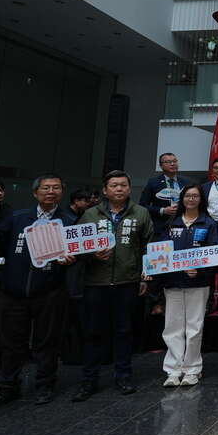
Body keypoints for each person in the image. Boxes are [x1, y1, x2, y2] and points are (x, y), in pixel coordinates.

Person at [0, 175, 76, 410]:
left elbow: (78, 254)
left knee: (47, 342)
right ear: (35, 193)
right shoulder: (18, 218)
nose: (51, 191)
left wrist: (72, 259)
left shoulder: (69, 221)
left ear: (61, 192)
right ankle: (7, 387)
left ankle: (44, 385)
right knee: (11, 343)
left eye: (56, 188)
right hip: (13, 292)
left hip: (49, 291)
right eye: (46, 188)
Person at [74, 170, 154, 401]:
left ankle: (123, 377)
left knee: (124, 331)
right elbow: (76, 248)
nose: (119, 189)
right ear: (105, 190)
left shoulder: (141, 213)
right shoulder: (90, 215)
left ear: (129, 189)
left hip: (127, 281)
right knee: (93, 332)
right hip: (96, 282)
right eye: (114, 185)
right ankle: (89, 380)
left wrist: (145, 276)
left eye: (123, 185)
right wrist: (91, 254)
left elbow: (148, 247)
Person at [152, 184, 218, 388]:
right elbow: (159, 253)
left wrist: (200, 270)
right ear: (182, 199)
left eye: (195, 196)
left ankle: (192, 369)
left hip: (198, 283)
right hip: (172, 282)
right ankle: (173, 370)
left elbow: (214, 254)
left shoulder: (208, 223)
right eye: (188, 196)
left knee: (194, 327)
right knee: (172, 327)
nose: (191, 199)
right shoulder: (171, 223)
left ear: (201, 199)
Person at [140, 153, 191, 224]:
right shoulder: (153, 182)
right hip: (161, 224)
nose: (172, 164)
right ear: (161, 166)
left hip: (183, 222)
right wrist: (162, 210)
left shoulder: (186, 182)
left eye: (174, 161)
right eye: (168, 162)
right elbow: (143, 205)